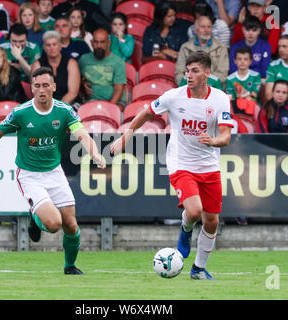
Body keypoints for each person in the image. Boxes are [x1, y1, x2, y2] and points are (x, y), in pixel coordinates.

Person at [0, 66, 106, 276]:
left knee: (71, 225)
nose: (41, 90)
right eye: (37, 86)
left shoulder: (64, 111)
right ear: (32, 88)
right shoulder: (21, 113)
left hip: (54, 172)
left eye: (46, 85)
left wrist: (95, 153)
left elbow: (82, 134)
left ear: (54, 87)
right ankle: (35, 217)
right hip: (30, 175)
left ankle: (69, 267)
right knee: (54, 223)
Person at [111, 51, 233, 280]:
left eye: (195, 71)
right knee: (195, 211)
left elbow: (225, 137)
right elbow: (145, 114)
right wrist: (124, 137)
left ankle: (198, 269)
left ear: (207, 73)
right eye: (187, 71)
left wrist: (212, 141)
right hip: (181, 163)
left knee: (212, 220)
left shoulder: (220, 99)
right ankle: (185, 230)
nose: (189, 75)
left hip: (209, 166)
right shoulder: (173, 96)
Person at [79, 28, 126, 109]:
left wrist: (108, 108)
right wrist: (83, 83)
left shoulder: (118, 62)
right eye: (96, 42)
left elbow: (119, 89)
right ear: (91, 43)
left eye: (102, 42)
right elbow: (77, 79)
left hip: (115, 102)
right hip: (91, 101)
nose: (99, 46)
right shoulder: (84, 60)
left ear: (109, 43)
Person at [175, 15, 229, 85]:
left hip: (213, 88)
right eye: (203, 27)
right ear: (195, 29)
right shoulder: (185, 47)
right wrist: (192, 84)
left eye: (209, 27)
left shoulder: (221, 47)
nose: (206, 30)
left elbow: (222, 73)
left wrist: (204, 85)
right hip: (190, 88)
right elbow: (179, 73)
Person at [31, 30, 81, 106]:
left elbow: (72, 93)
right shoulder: (37, 64)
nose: (51, 48)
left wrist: (58, 108)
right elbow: (37, 91)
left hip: (69, 103)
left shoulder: (71, 63)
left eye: (54, 44)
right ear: (44, 47)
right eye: (48, 45)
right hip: (45, 104)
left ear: (60, 46)